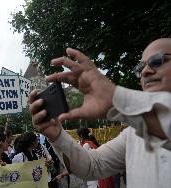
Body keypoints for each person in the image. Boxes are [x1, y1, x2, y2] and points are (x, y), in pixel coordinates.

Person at [29, 38, 171, 188]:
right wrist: (57, 135)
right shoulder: (133, 135)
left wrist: (116, 99)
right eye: (140, 67)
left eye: (157, 61)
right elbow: (92, 166)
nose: (145, 71)